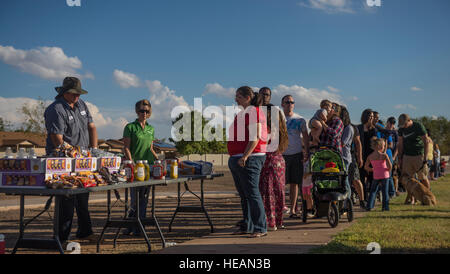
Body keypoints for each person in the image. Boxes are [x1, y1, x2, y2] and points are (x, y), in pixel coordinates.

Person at [44, 76, 98, 243]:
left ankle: (85, 232)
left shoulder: (81, 105)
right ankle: (60, 239)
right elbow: (57, 139)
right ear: (65, 92)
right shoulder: (56, 109)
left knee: (83, 196)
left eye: (79, 93)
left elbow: (92, 126)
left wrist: (94, 150)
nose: (77, 96)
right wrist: (73, 154)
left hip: (82, 160)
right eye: (74, 93)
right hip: (62, 161)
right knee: (67, 200)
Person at [228, 86, 268, 238]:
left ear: (247, 97)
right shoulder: (242, 114)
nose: (235, 99)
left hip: (250, 158)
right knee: (244, 194)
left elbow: (255, 137)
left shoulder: (254, 112)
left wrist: (245, 156)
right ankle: (248, 224)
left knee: (252, 193)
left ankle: (260, 227)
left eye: (238, 96)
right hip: (238, 158)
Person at [122, 99, 158, 236]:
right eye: (142, 110)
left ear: (150, 113)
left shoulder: (151, 129)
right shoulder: (130, 127)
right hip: (135, 167)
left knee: (144, 198)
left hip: (148, 167)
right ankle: (133, 226)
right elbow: (126, 147)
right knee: (135, 199)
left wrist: (159, 161)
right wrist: (131, 163)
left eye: (147, 111)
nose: (144, 113)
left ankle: (136, 227)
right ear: (137, 111)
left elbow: (150, 148)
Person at [259, 104, 289, 231]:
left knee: (267, 191)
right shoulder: (281, 128)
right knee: (278, 192)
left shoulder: (268, 128)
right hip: (279, 161)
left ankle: (270, 222)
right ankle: (278, 221)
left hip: (268, 161)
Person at [281, 95, 309, 218]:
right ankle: (280, 208)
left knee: (294, 183)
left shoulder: (300, 119)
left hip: (296, 154)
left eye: (292, 102)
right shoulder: (278, 119)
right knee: (280, 184)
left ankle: (292, 210)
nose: (290, 104)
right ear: (282, 104)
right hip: (281, 155)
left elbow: (306, 137)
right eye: (287, 102)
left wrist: (306, 152)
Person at [398, 114, 431, 204]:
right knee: (409, 180)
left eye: (404, 125)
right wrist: (400, 157)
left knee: (423, 178)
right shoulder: (401, 129)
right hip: (407, 156)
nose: (403, 127)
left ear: (409, 121)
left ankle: (427, 197)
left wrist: (425, 157)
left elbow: (426, 141)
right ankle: (412, 199)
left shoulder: (418, 126)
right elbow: (400, 143)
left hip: (418, 155)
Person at [340, 106, 363, 205]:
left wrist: (360, 157)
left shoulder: (351, 127)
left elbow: (358, 143)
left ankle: (361, 200)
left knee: (355, 179)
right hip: (339, 156)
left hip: (350, 155)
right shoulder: (336, 125)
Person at [357, 109, 379, 203]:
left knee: (372, 178)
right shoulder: (359, 128)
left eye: (372, 116)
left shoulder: (374, 129)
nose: (371, 118)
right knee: (362, 178)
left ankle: (372, 198)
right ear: (365, 116)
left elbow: (376, 144)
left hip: (371, 156)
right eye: (370, 116)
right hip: (361, 155)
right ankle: (364, 198)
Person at [365, 138, 392, 211]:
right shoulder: (384, 155)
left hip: (376, 175)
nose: (384, 147)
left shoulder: (370, 156)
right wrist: (387, 170)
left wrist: (373, 169)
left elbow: (366, 167)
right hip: (384, 175)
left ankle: (369, 206)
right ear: (380, 146)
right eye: (383, 146)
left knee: (373, 191)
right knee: (385, 192)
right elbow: (390, 166)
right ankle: (385, 207)